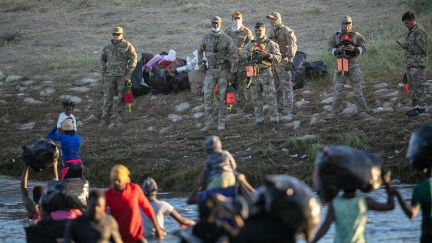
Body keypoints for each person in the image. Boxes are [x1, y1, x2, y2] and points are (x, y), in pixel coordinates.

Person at [310, 173, 395, 243]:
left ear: (341, 187)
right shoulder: (365, 202)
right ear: (357, 186)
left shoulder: (335, 204)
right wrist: (387, 185)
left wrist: (312, 241)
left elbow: (325, 226)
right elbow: (390, 206)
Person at [187, 136, 254, 204]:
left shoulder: (209, 160)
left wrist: (200, 185)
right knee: (239, 178)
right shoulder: (226, 154)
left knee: (194, 198)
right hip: (231, 181)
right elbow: (233, 167)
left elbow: (206, 174)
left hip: (216, 185)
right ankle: (253, 194)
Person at [105, 165, 164, 242]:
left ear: (125, 179)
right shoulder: (107, 195)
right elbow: (101, 215)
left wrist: (157, 228)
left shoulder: (135, 189)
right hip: (118, 238)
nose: (116, 183)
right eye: (114, 180)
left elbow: (148, 209)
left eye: (118, 180)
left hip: (137, 237)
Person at [199, 16, 238, 132]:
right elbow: (200, 50)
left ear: (220, 24)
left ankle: (221, 122)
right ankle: (208, 122)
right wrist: (200, 63)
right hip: (211, 71)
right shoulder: (206, 38)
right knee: (207, 96)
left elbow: (234, 56)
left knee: (222, 98)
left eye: (217, 23)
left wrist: (232, 72)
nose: (215, 25)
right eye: (213, 23)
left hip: (223, 71)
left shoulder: (226, 39)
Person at [327, 16, 371, 119]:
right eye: (344, 26)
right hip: (340, 63)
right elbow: (329, 49)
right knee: (338, 89)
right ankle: (334, 112)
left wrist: (355, 49)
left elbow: (364, 47)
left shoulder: (356, 35)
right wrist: (337, 50)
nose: (347, 28)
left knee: (357, 89)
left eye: (349, 26)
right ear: (341, 25)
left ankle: (362, 111)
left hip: (353, 63)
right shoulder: (335, 36)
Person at [243, 22, 282, 130]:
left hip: (266, 72)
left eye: (260, 30)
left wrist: (268, 55)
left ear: (264, 30)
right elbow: (243, 55)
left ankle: (275, 120)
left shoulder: (270, 43)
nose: (258, 32)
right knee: (256, 98)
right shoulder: (250, 43)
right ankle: (259, 120)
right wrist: (249, 54)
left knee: (270, 97)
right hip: (253, 72)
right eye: (256, 31)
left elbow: (278, 57)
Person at [100, 27, 138, 127]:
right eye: (114, 34)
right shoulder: (108, 47)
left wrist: (128, 73)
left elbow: (134, 59)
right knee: (107, 98)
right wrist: (103, 72)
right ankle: (105, 119)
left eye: (118, 34)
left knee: (122, 98)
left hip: (122, 76)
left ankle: (120, 119)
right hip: (109, 76)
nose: (116, 36)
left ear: (122, 35)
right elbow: (102, 60)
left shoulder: (127, 45)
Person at [267, 12, 297, 119]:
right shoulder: (272, 31)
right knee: (277, 86)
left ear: (278, 19)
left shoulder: (286, 30)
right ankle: (280, 106)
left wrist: (290, 60)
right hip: (274, 62)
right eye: (270, 19)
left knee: (286, 85)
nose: (271, 20)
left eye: (273, 18)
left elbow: (292, 46)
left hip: (284, 61)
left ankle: (288, 107)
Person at [398, 12, 428, 117]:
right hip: (411, 65)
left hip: (418, 65)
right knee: (412, 86)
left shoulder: (419, 32)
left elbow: (422, 49)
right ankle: (417, 107)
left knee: (419, 86)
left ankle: (422, 107)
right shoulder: (411, 32)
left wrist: (407, 46)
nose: (406, 25)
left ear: (412, 20)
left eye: (406, 23)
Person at [224, 11, 254, 110]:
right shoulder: (227, 32)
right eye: (235, 18)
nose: (237, 20)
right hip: (229, 64)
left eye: (238, 18)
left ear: (242, 19)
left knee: (242, 85)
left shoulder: (246, 32)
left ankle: (242, 106)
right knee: (228, 84)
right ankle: (230, 106)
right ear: (231, 19)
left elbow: (252, 47)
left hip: (242, 64)